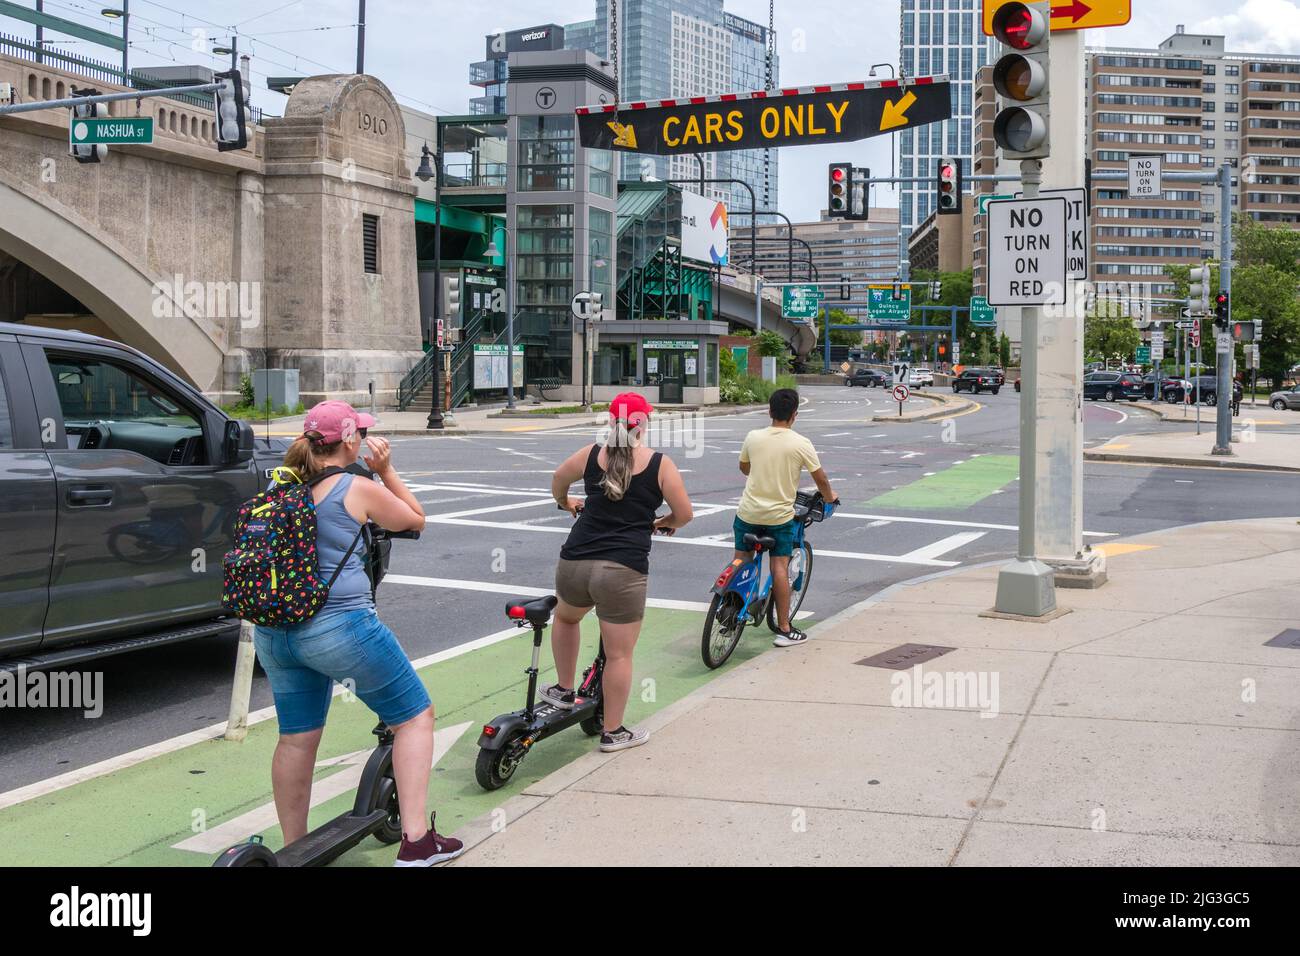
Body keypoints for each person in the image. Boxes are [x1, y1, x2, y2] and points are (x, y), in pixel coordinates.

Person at [253, 400, 463, 867]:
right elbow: (414, 519)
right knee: (413, 717)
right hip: (338, 626)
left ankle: (295, 851)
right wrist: (386, 471)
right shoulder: (353, 486)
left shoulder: (280, 487)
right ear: (349, 440)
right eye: (362, 434)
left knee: (296, 738)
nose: (366, 441)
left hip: (275, 633)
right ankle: (416, 843)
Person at [546, 392, 693, 752]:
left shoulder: (591, 455)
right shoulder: (660, 464)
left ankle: (564, 690)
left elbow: (558, 479)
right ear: (644, 424)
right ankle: (612, 732)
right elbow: (685, 514)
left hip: (575, 560)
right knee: (619, 655)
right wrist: (662, 522)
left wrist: (565, 502)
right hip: (622, 570)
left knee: (566, 620)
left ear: (611, 422)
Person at [734, 387, 838, 648]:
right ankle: (784, 629)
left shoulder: (753, 436)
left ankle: (729, 607)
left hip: (747, 512)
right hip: (778, 518)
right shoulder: (800, 443)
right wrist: (829, 497)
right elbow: (821, 479)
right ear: (795, 415)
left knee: (740, 560)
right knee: (779, 567)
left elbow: (745, 468)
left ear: (769, 412)